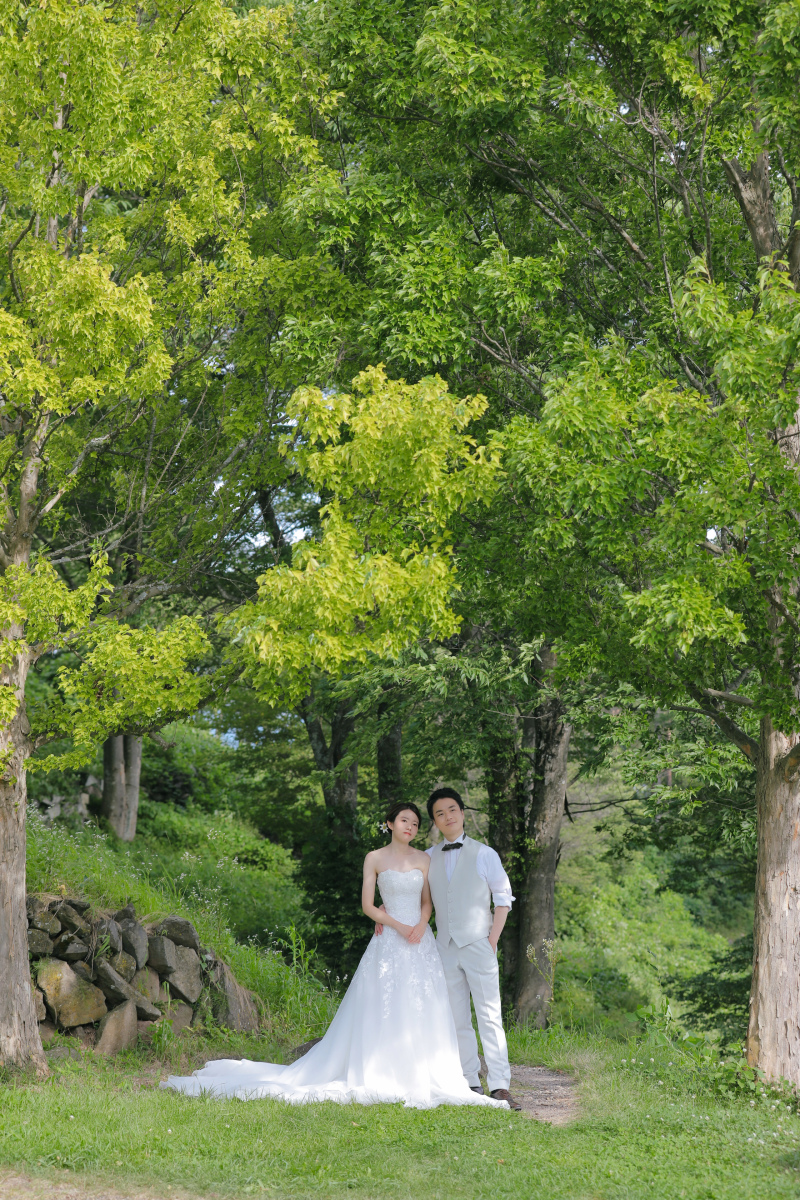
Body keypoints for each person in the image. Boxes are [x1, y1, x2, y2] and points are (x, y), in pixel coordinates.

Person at [161, 801, 508, 1110]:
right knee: (388, 1007)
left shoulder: (429, 858)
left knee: (433, 1007)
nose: (410, 827)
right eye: (405, 821)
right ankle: (394, 1071)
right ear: (390, 823)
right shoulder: (379, 857)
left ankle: (474, 1079)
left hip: (427, 943)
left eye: (416, 823)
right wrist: (394, 923)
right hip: (391, 941)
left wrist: (424, 924)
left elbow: (430, 901)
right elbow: (368, 905)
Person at [378, 787, 521, 1110]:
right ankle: (469, 1080)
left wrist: (492, 940)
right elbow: (410, 891)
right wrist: (383, 912)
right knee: (456, 1017)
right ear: (434, 821)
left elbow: (503, 899)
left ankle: (499, 1085)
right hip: (443, 947)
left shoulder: (485, 854)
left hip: (479, 944)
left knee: (489, 1016)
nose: (447, 816)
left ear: (462, 812)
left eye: (452, 809)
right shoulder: (427, 857)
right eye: (440, 813)